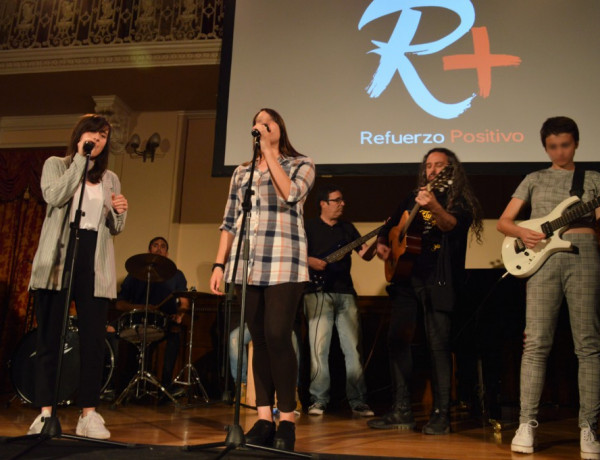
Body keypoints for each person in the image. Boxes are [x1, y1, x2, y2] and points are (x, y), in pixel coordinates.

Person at [210, 108, 315, 451]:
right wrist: (218, 264)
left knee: (277, 334)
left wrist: (270, 152)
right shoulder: (241, 172)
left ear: (278, 129)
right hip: (246, 265)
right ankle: (263, 417)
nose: (261, 126)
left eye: (267, 123)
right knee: (259, 339)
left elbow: (291, 195)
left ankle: (287, 419)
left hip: (285, 262)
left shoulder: (301, 164)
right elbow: (229, 222)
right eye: (257, 122)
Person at [497, 116, 600, 458]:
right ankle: (527, 424)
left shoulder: (593, 180)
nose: (560, 151)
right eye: (553, 146)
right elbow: (504, 222)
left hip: (584, 256)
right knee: (536, 342)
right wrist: (523, 233)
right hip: (542, 261)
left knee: (587, 343)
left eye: (565, 145)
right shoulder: (534, 178)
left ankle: (589, 427)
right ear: (545, 147)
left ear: (576, 144)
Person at [27, 114, 128, 439]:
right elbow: (54, 196)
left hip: (93, 261)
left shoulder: (110, 177)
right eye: (92, 133)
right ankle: (45, 413)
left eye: (102, 136)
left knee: (93, 342)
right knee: (50, 340)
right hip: (58, 256)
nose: (97, 139)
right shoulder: (57, 164)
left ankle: (89, 413)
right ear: (79, 135)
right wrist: (80, 162)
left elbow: (116, 228)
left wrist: (121, 211)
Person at [368, 147, 482, 435]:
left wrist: (433, 206)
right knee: (397, 342)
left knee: (438, 346)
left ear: (450, 170)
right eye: (428, 165)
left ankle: (441, 415)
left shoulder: (460, 201)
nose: (432, 170)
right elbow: (391, 225)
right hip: (406, 280)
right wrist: (384, 242)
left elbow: (451, 226)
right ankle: (402, 411)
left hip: (437, 280)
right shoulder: (412, 195)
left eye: (438, 165)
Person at [304, 185, 376, 417]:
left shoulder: (348, 228)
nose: (342, 204)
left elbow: (365, 254)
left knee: (353, 349)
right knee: (319, 349)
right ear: (323, 204)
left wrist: (380, 238)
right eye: (336, 200)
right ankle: (318, 400)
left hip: (345, 293)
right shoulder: (309, 226)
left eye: (342, 200)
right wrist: (310, 261)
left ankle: (358, 401)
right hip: (316, 293)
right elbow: (294, 253)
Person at [116, 236, 189, 395]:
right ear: (149, 251)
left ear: (167, 253)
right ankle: (128, 385)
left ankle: (166, 387)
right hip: (139, 320)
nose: (159, 248)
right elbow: (119, 304)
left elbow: (184, 302)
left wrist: (179, 314)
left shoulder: (176, 275)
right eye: (155, 245)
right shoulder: (135, 274)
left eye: (163, 246)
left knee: (175, 335)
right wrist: (141, 307)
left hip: (165, 321)